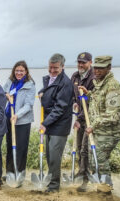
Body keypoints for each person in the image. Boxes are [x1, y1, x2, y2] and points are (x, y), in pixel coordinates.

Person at [79, 55, 120, 193]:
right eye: (96, 68)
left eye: (101, 68)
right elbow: (99, 100)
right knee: (93, 159)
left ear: (109, 68)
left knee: (99, 158)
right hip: (97, 130)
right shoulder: (99, 84)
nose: (97, 71)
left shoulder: (113, 86)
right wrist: (89, 94)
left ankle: (106, 189)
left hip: (109, 131)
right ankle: (102, 186)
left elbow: (114, 114)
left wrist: (94, 124)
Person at [38, 53, 73, 192]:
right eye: (50, 67)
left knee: (54, 155)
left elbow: (59, 108)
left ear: (62, 67)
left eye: (56, 68)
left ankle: (54, 186)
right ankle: (50, 179)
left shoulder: (65, 83)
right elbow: (49, 91)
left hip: (59, 125)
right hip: (50, 123)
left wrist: (45, 123)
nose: (52, 70)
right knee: (48, 154)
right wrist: (42, 92)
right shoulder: (50, 79)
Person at [3, 60, 35, 183]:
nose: (19, 73)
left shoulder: (30, 85)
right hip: (8, 118)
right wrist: (6, 95)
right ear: (14, 71)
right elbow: (4, 91)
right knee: (10, 146)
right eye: (17, 70)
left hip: (22, 121)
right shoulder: (11, 81)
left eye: (21, 70)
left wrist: (17, 115)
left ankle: (20, 174)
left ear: (26, 71)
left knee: (21, 148)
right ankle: (10, 173)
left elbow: (28, 105)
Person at [70, 52, 95, 192]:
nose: (80, 65)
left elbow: (95, 101)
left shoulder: (93, 78)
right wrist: (74, 102)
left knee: (85, 149)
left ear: (90, 63)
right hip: (79, 117)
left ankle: (85, 179)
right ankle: (81, 172)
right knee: (79, 147)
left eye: (83, 62)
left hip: (90, 119)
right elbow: (72, 95)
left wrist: (80, 118)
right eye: (79, 62)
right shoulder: (75, 76)